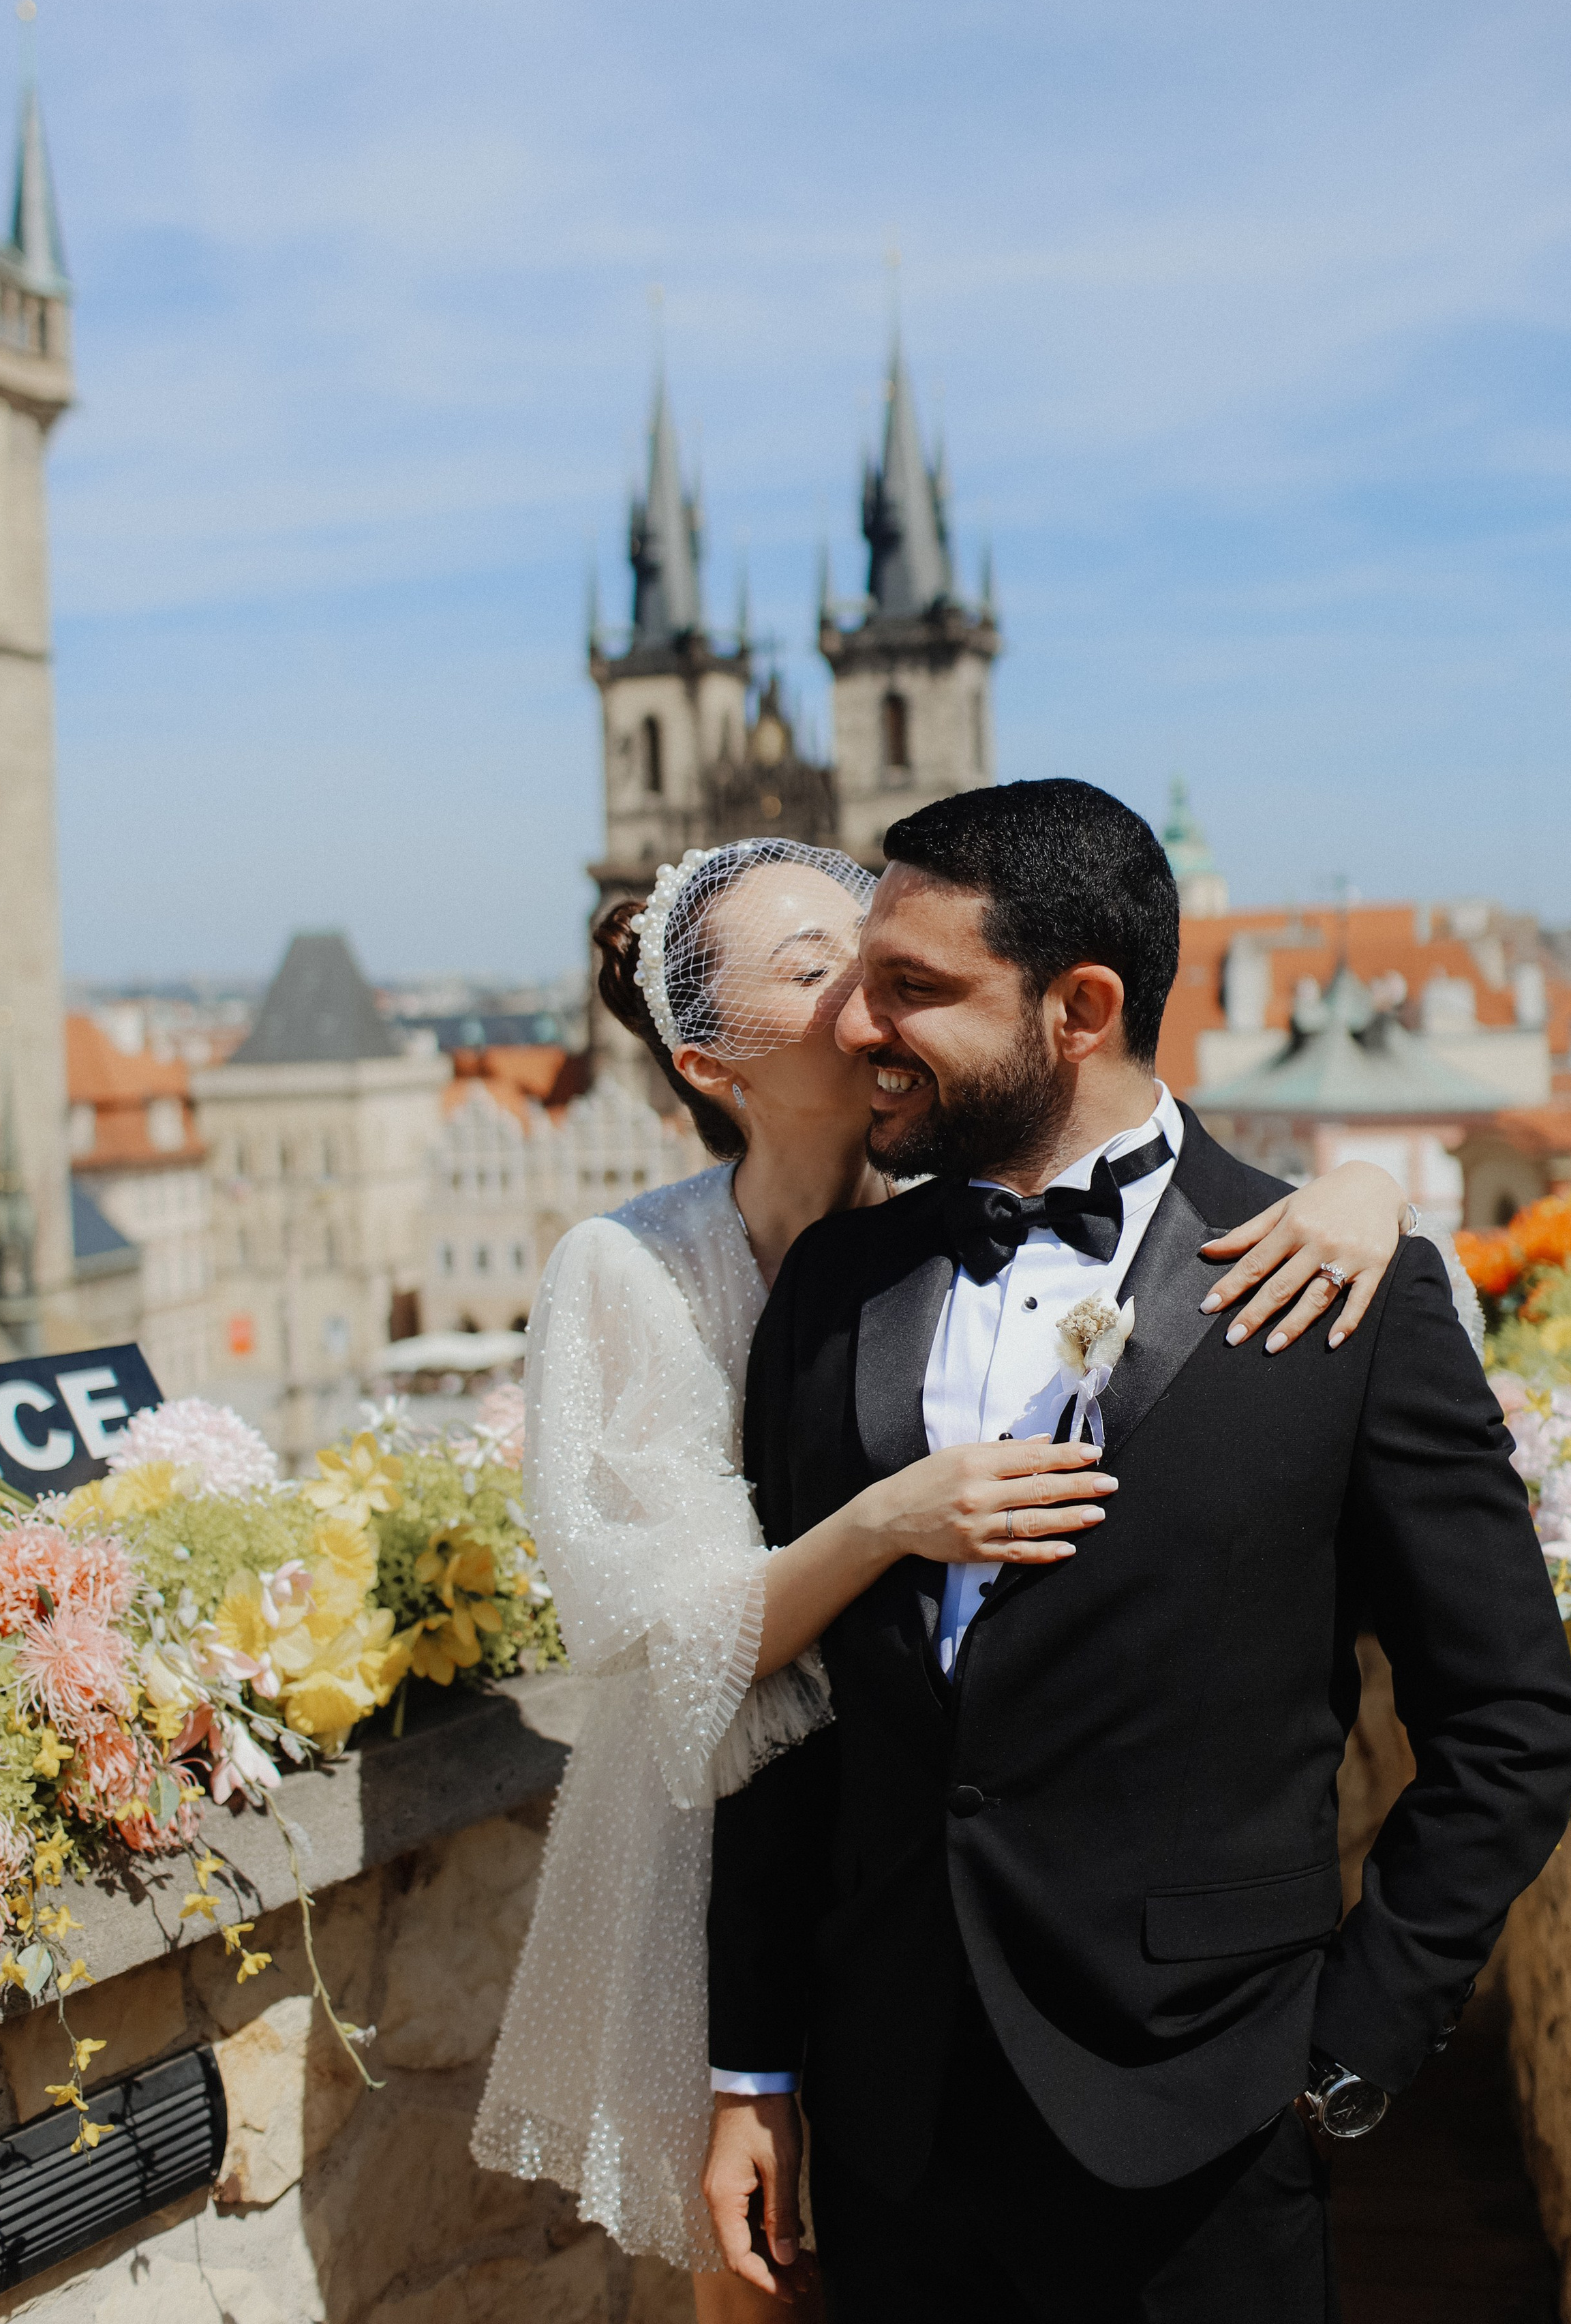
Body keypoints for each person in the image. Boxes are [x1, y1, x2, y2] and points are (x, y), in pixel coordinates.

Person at [472, 834, 1415, 2319]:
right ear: (713, 1067)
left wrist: (1365, 1189)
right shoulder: (640, 1270)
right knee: (763, 2291)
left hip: (1013, 1916)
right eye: (822, 970)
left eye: (885, 954)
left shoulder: (968, 1190)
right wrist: (886, 1518)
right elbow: (688, 1659)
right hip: (732, 1844)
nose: (871, 992)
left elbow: (1166, 1174)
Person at [701, 784, 1571, 2324]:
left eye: (912, 988)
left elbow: (1509, 1727)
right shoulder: (836, 1285)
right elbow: (790, 1726)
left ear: (1079, 1009)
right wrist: (754, 2066)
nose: (858, 1028)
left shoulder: (1350, 1297)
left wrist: (1345, 2051)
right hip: (889, 2121)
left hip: (1209, 2124)